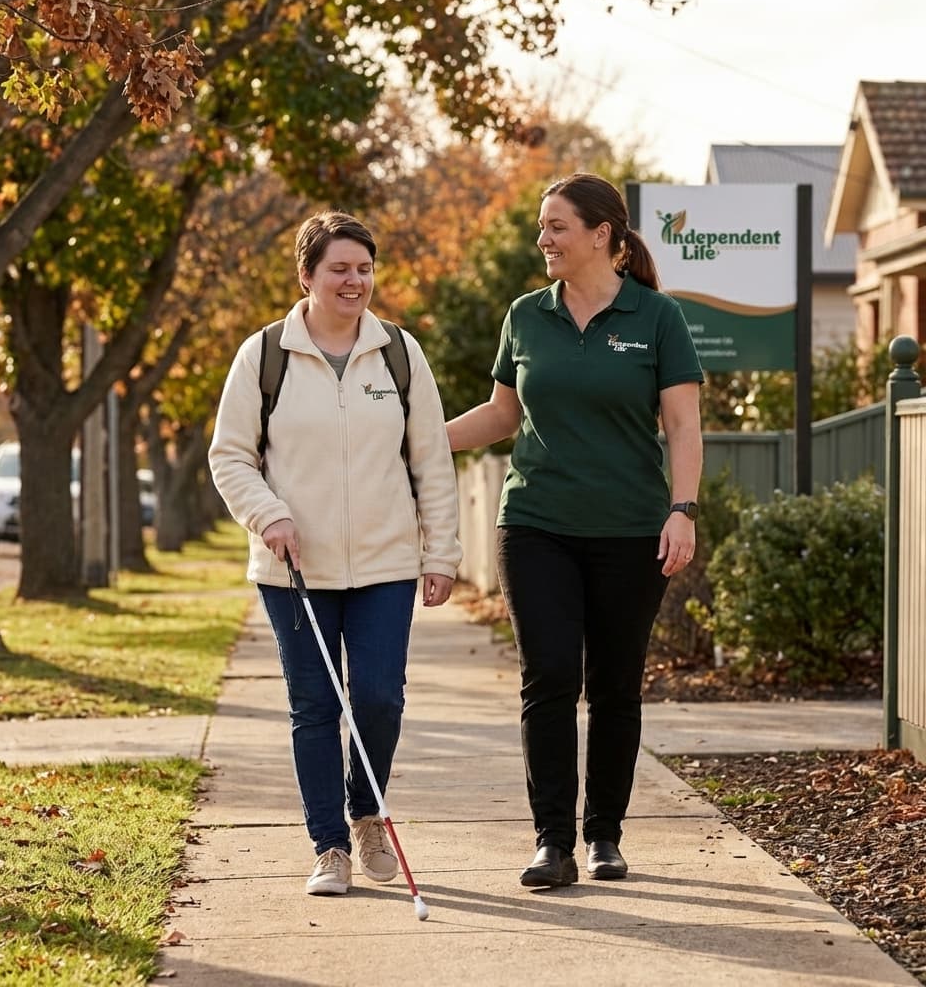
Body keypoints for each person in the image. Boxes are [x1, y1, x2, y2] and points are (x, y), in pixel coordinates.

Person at [446, 173, 703, 889]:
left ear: (603, 236)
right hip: (537, 525)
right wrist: (425, 439)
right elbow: (501, 416)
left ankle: (605, 836)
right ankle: (552, 842)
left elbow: (682, 425)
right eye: (541, 226)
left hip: (630, 530)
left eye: (556, 226)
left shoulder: (657, 318)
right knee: (549, 676)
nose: (543, 239)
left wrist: (682, 510)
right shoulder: (526, 315)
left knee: (615, 685)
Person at [209, 210, 461, 898]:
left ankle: (367, 812)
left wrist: (442, 554)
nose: (355, 281)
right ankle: (329, 845)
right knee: (315, 705)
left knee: (378, 697)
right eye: (339, 269)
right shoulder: (264, 356)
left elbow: (432, 462)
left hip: (386, 565)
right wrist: (269, 514)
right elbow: (230, 456)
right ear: (307, 276)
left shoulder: (400, 355)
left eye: (363, 268)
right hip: (295, 569)